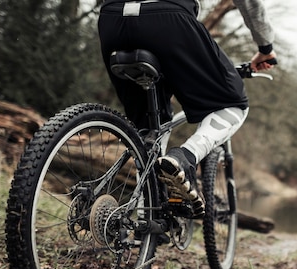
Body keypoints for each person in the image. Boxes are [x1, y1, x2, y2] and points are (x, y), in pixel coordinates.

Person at [98, 0, 277, 218]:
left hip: (111, 20)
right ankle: (185, 158)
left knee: (148, 127)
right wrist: (265, 47)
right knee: (233, 103)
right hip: (168, 17)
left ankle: (148, 218)